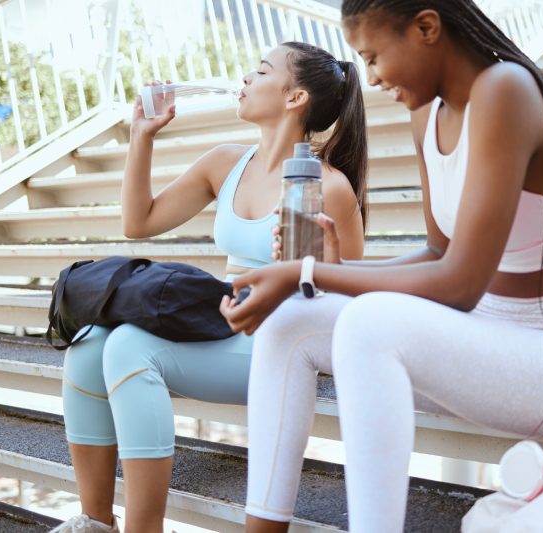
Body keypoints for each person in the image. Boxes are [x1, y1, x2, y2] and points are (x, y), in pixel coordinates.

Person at [219, 2, 543, 532]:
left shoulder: (506, 90)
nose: (372, 77)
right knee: (290, 324)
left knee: (366, 323)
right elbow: (436, 251)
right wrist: (328, 269)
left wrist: (309, 274)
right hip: (477, 347)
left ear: (427, 28)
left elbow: (457, 283)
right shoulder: (426, 114)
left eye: (375, 55)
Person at [50, 42, 367, 533]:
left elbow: (351, 292)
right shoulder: (225, 162)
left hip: (277, 339)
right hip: (224, 315)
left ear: (294, 97)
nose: (244, 78)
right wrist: (142, 136)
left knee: (131, 347)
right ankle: (94, 522)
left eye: (260, 71)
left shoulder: (329, 186)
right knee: (90, 343)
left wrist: (319, 263)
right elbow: (140, 221)